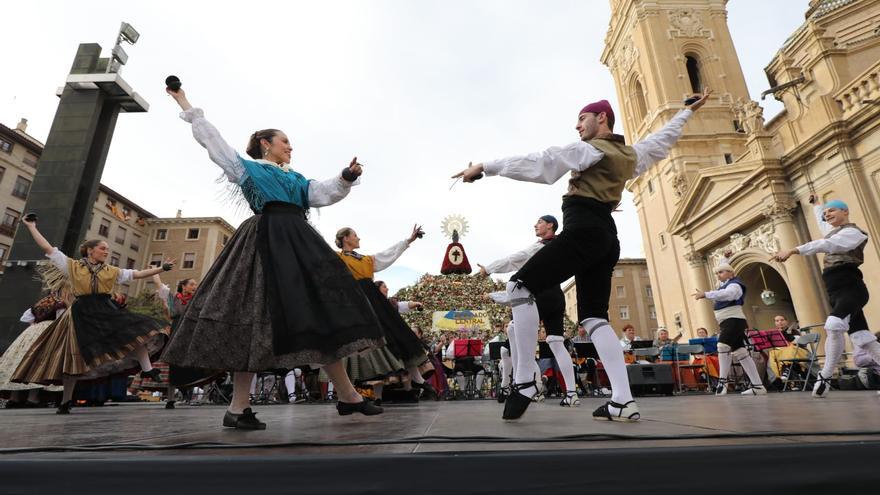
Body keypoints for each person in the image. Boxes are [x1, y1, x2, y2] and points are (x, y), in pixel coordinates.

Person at [453, 87, 711, 421]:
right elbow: (663, 140)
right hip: (606, 236)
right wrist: (687, 111)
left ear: (601, 118)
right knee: (593, 317)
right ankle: (623, 400)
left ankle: (525, 380)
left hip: (585, 230)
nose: (577, 126)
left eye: (582, 118)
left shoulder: (590, 150)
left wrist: (487, 166)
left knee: (518, 287)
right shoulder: (632, 154)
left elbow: (544, 163)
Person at [163, 85, 384, 430]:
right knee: (252, 319)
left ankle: (348, 396)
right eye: (285, 142)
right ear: (267, 144)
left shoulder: (296, 180)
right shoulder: (248, 169)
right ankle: (238, 408)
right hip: (264, 240)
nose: (290, 148)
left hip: (299, 241)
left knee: (319, 315)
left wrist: (346, 176)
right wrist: (185, 103)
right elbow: (213, 141)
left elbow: (323, 193)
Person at [13, 218, 173, 414]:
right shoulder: (72, 266)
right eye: (103, 248)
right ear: (91, 251)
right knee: (73, 359)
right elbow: (47, 248)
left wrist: (161, 269)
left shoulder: (112, 271)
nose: (107, 252)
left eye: (107, 249)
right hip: (81, 314)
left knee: (133, 334)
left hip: (106, 309)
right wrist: (31, 227)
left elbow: (138, 274)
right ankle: (65, 402)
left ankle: (148, 369)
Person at [772, 195, 880, 397]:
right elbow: (823, 226)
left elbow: (828, 244)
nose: (827, 214)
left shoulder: (854, 233)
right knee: (863, 338)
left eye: (832, 210)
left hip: (851, 287)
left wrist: (794, 250)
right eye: (826, 212)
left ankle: (825, 377)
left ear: (845, 211)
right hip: (834, 289)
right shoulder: (834, 231)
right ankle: (826, 377)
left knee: (832, 325)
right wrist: (816, 205)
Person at [480, 215, 578, 407]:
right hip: (556, 297)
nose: (535, 225)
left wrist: (489, 268)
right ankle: (572, 394)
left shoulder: (539, 246)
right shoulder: (562, 245)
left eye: (540, 222)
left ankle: (523, 383)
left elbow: (513, 259)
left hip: (539, 295)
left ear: (550, 226)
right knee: (556, 343)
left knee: (513, 329)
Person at [334, 228, 433, 403]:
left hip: (374, 299)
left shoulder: (365, 259)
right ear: (345, 238)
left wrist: (408, 240)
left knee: (397, 333)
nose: (359, 238)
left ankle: (418, 380)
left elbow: (387, 255)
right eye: (355, 235)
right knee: (377, 342)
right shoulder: (337, 258)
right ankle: (356, 395)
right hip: (356, 300)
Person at [692, 259, 767, 396]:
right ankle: (758, 386)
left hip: (733, 320)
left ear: (731, 273)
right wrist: (725, 259)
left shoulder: (735, 285)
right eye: (717, 272)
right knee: (741, 352)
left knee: (722, 346)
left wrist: (706, 294)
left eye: (721, 272)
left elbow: (729, 295)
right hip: (729, 321)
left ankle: (722, 382)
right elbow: (722, 282)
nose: (718, 275)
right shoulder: (726, 284)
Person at [0, 280, 68, 407]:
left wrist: (36, 324)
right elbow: (61, 320)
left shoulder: (41, 302)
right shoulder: (61, 304)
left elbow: (25, 317)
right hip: (49, 331)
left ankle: (14, 398)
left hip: (32, 332)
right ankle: (33, 398)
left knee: (20, 364)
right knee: (39, 365)